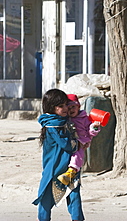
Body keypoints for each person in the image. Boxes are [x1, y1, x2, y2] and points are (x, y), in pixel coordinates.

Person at [33, 89, 85, 221]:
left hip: (68, 168)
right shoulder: (54, 125)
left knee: (73, 197)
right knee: (47, 198)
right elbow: (67, 144)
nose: (65, 108)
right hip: (55, 168)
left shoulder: (62, 121)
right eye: (61, 106)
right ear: (52, 108)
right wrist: (79, 143)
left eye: (65, 105)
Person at [57, 94, 101, 186]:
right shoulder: (67, 119)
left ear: (78, 107)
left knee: (77, 155)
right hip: (71, 141)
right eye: (68, 108)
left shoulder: (85, 118)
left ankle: (71, 173)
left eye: (73, 107)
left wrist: (94, 128)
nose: (71, 110)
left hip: (82, 141)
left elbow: (90, 131)